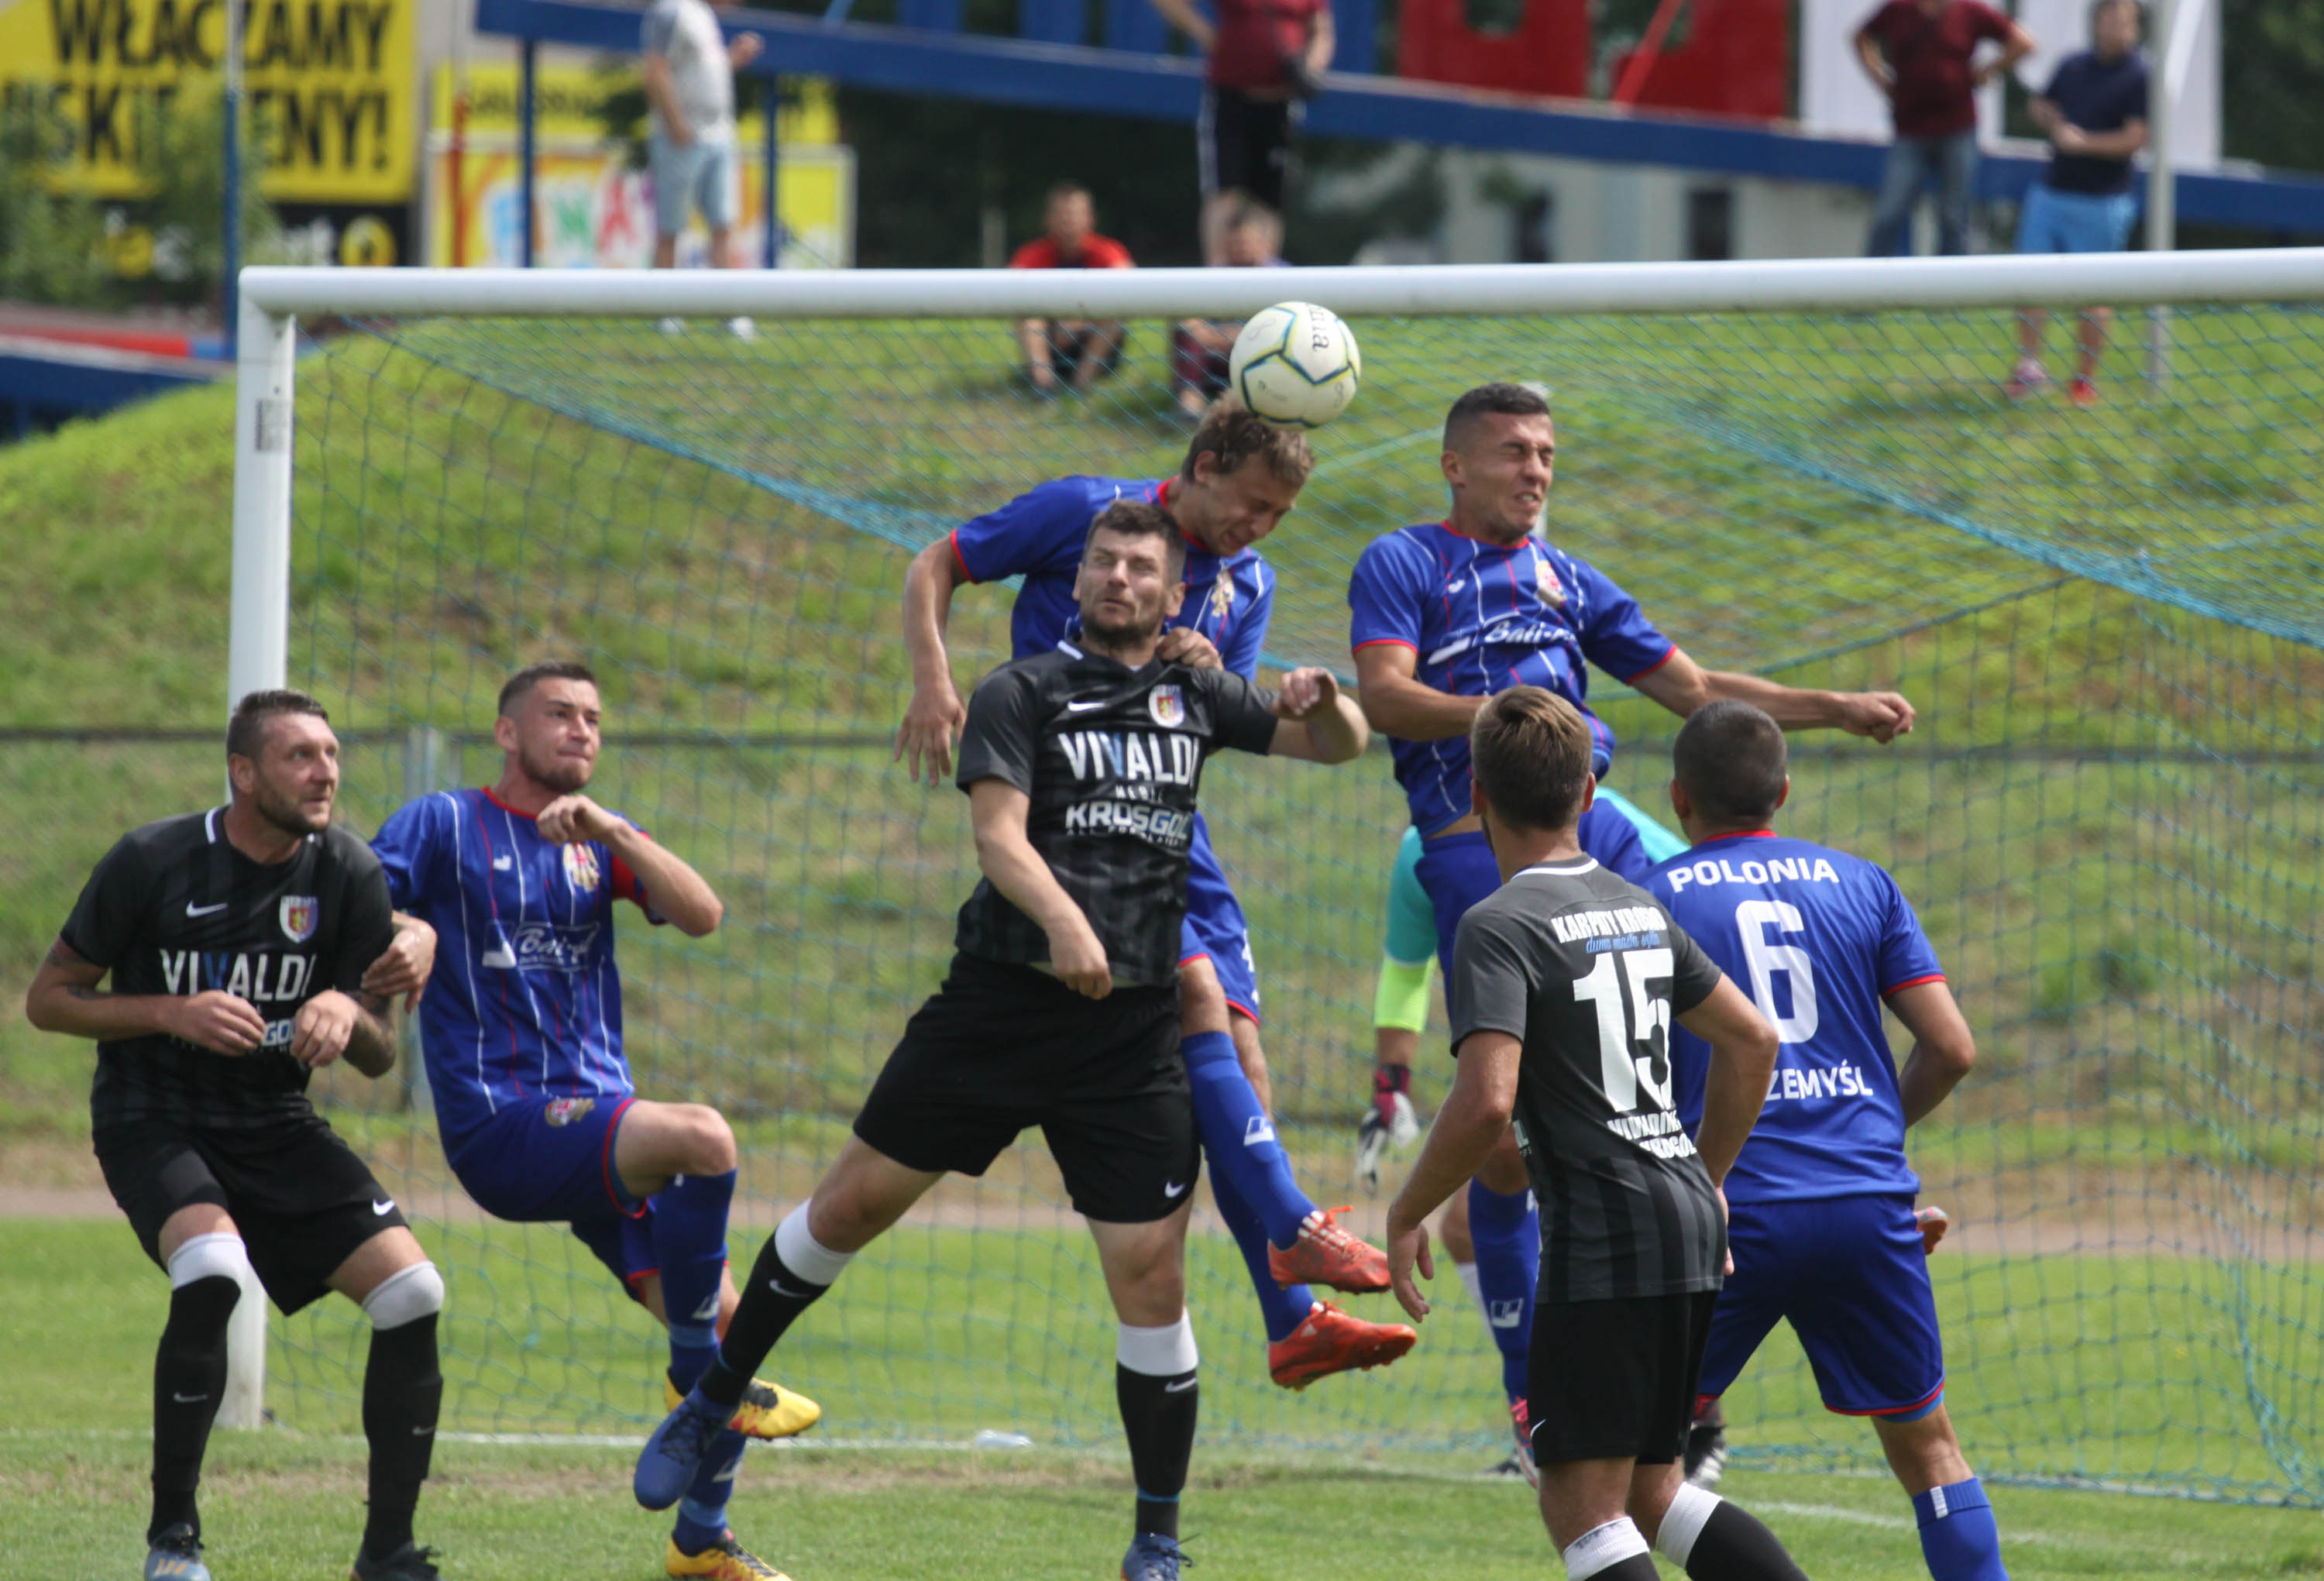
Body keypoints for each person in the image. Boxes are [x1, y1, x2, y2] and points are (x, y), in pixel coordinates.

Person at [637, 500, 1373, 1581]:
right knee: (846, 1210)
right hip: (998, 1010)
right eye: (1103, 563)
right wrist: (1067, 922)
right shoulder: (1020, 689)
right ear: (1078, 582)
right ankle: (711, 1399)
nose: (1119, 577)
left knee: (1150, 1281)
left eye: (1141, 568)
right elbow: (997, 836)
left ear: (1175, 595)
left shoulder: (1195, 693)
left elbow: (1332, 746)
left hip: (1125, 1043)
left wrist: (1329, 699)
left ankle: (1157, 1540)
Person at [1348, 380, 1917, 1480]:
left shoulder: (1565, 578)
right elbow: (1383, 694)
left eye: (1549, 451)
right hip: (1483, 841)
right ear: (1456, 465)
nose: (1537, 469)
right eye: (1515, 450)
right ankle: (1538, 1407)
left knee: (1714, 1032)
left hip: (1596, 827)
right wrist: (1528, 725)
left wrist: (1832, 707)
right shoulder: (1405, 562)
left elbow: (1694, 690)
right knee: (1512, 1146)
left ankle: (1794, 1200)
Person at [898, 401, 1415, 1391]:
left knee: (1246, 1059)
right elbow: (937, 562)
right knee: (1195, 1005)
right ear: (1205, 466)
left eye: (1277, 516)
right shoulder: (1085, 517)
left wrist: (1223, 674)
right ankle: (1292, 1253)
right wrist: (934, 678)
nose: (1258, 529)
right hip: (1075, 831)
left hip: (1171, 828)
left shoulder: (1246, 580)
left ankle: (1294, 1319)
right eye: (1251, 505)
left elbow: (1224, 723)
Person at [370, 662, 820, 1581]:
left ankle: (702, 1544)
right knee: (705, 1137)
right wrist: (406, 928)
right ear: (506, 732)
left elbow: (703, 914)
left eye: (594, 719)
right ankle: (700, 1384)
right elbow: (358, 899)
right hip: (505, 1120)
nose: (581, 730)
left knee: (736, 1324)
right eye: (560, 714)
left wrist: (615, 827)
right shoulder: (445, 821)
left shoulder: (594, 841)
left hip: (597, 1118)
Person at [1382, 686, 1811, 1581]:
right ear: (1588, 792)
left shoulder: (1497, 927)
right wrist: (1711, 1178)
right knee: (1654, 1490)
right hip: (1687, 1215)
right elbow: (1753, 1039)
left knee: (1580, 1504)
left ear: (1475, 793)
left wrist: (1408, 1207)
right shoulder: (1639, 903)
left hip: (1606, 1235)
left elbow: (1487, 1102)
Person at [23, 689, 448, 1581]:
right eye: (300, 755)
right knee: (213, 1271)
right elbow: (49, 1000)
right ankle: (172, 1541)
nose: (326, 770)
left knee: (414, 1290)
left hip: (274, 1119)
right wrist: (170, 1011)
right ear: (244, 771)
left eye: (332, 753)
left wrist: (346, 1008)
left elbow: (376, 1055)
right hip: (154, 1113)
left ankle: (389, 1554)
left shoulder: (348, 873)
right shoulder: (152, 859)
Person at [1644, 702, 2005, 1581]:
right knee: (1929, 1448)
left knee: (1628, 1467)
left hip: (1727, 1209)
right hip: (1866, 1205)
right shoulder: (1863, 882)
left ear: (1679, 798)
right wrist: (1869, 1145)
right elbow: (1953, 1047)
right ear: (1784, 791)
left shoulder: (1651, 899)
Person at [2007, 0, 2151, 406]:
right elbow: (2040, 103)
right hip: (2051, 191)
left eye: (2125, 20)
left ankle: (2083, 381)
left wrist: (2084, 144)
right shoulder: (2072, 65)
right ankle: (2029, 367)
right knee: (2030, 282)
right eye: (2110, 18)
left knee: (2092, 295)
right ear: (2096, 22)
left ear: (2135, 27)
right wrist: (2049, 118)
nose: (2117, 27)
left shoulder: (2139, 76)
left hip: (2103, 201)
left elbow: (2137, 137)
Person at [1150, 0, 1333, 265]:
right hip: (1232, 97)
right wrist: (1205, 33)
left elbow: (1321, 30)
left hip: (1281, 103)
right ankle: (1216, 278)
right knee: (1225, 191)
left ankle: (1265, 276)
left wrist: (1310, 68)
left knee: (1270, 198)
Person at [1855, 0, 2035, 256]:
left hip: (1957, 129)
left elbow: (2024, 42)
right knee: (1890, 213)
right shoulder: (1899, 10)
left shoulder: (1970, 11)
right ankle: (1869, 286)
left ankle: (1952, 291)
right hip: (1910, 131)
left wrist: (1989, 69)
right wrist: (1880, 78)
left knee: (1954, 217)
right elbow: (1861, 37)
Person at [1008, 182, 1135, 396]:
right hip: (1052, 340)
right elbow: (1009, 286)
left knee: (1113, 316)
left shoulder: (1108, 251)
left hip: (1094, 342)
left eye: (1075, 214)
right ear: (1048, 219)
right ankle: (1044, 385)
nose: (1068, 220)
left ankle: (1080, 387)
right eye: (1062, 214)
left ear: (1090, 218)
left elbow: (1128, 287)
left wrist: (1079, 321)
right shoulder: (1033, 253)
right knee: (1029, 317)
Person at [1171, 199, 1287, 421]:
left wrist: (1227, 336)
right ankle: (1190, 403)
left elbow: (1284, 329)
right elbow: (1189, 314)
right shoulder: (1216, 273)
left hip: (1265, 360)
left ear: (1264, 243)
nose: (1241, 249)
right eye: (1235, 243)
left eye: (1247, 242)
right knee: (1184, 331)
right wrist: (1204, 332)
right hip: (1216, 356)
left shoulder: (1284, 276)